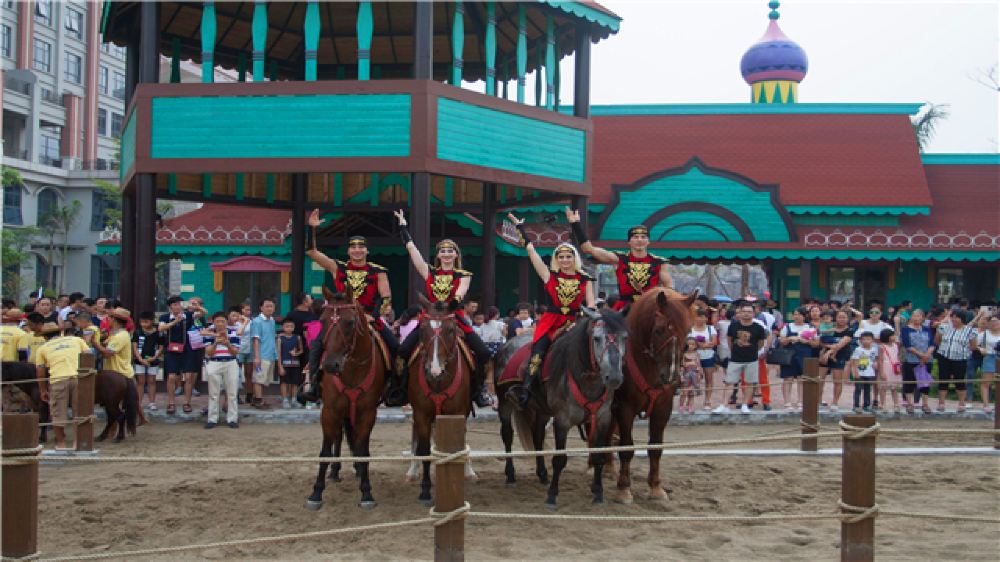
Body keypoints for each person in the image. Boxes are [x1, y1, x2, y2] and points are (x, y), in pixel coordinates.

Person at [385, 210, 493, 407]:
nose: (446, 254)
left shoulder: (463, 274)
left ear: (456, 254)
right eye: (442, 251)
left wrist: (452, 303)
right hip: (430, 317)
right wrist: (404, 229)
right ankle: (399, 389)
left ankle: (479, 390)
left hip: (453, 316)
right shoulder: (430, 272)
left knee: (483, 352)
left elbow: (461, 291)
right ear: (438, 255)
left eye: (450, 251)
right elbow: (413, 252)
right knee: (402, 351)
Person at [298, 209, 397, 404]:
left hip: (369, 317)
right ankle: (313, 384)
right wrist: (312, 229)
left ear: (367, 251)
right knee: (317, 344)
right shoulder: (338, 267)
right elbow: (311, 252)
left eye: (361, 247)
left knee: (395, 346)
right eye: (353, 247)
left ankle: (394, 386)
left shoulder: (378, 271)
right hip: (340, 317)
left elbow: (386, 297)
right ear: (348, 251)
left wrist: (373, 316)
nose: (357, 250)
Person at [503, 213, 595, 408]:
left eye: (568, 256)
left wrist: (584, 322)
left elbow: (591, 305)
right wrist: (520, 228)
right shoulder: (549, 275)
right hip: (551, 322)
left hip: (575, 322)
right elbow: (531, 252)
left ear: (575, 258)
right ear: (556, 259)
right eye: (561, 257)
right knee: (538, 352)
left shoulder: (585, 279)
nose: (565, 260)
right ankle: (526, 389)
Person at [566, 207, 673, 311]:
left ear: (648, 241)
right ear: (629, 242)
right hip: (623, 309)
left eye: (643, 237)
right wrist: (576, 224)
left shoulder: (660, 262)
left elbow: (669, 289)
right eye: (635, 237)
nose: (639, 240)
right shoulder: (618, 259)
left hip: (649, 308)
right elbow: (588, 249)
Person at [34, 322, 92, 449]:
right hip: (78, 378)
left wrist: (43, 390)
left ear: (44, 337)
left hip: (58, 380)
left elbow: (40, 370)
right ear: (60, 332)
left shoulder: (42, 349)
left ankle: (61, 443)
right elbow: (89, 355)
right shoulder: (76, 340)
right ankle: (77, 441)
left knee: (57, 413)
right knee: (80, 412)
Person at [714, 303, 768, 415]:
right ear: (740, 313)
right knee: (729, 382)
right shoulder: (733, 326)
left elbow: (761, 343)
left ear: (753, 313)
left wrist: (753, 351)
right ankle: (724, 404)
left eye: (749, 312)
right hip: (735, 358)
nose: (746, 314)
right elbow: (729, 340)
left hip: (752, 359)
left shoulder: (758, 327)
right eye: (744, 311)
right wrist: (734, 351)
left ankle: (745, 404)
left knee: (749, 383)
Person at [99, 307, 146, 425]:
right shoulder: (116, 334)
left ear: (114, 320)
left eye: (109, 318)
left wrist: (95, 343)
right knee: (131, 400)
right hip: (120, 371)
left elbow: (107, 353)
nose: (107, 320)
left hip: (120, 372)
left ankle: (115, 426)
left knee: (115, 403)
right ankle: (142, 418)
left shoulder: (120, 336)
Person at [158, 296, 202, 415]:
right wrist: (175, 321)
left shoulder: (188, 315)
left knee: (188, 377)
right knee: (171, 376)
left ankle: (187, 402)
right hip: (171, 349)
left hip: (187, 349)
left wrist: (196, 306)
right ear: (170, 307)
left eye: (180, 304)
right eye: (175, 304)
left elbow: (203, 313)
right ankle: (171, 403)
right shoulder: (165, 317)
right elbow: (161, 328)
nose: (178, 306)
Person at [934, 308, 977, 413]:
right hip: (944, 357)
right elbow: (937, 341)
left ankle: (961, 403)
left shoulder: (969, 331)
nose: (953, 319)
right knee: (943, 379)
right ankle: (941, 403)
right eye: (952, 317)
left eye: (956, 317)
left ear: (962, 319)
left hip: (960, 359)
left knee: (959, 380)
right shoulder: (944, 327)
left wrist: (963, 352)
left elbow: (973, 346)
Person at [203, 312, 241, 429]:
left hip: (230, 362)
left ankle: (232, 419)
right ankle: (212, 419)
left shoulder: (233, 333)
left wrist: (227, 344)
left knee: (232, 393)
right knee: (213, 393)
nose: (220, 324)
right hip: (214, 362)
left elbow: (235, 352)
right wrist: (216, 343)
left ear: (226, 322)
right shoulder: (209, 334)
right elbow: (209, 352)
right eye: (217, 321)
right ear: (213, 322)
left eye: (222, 321)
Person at [778, 307, 820, 410]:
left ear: (804, 316)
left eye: (799, 314)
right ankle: (787, 402)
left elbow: (816, 343)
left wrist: (806, 341)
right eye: (795, 314)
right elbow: (782, 341)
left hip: (804, 355)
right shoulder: (787, 326)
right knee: (788, 378)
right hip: (789, 355)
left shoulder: (810, 327)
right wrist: (789, 339)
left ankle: (800, 401)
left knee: (802, 378)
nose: (797, 317)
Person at [817, 310, 854, 412]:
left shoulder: (849, 330)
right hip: (823, 356)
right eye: (839, 317)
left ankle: (835, 402)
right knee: (820, 379)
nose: (842, 319)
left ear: (847, 319)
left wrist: (829, 352)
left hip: (839, 356)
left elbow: (841, 344)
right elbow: (820, 341)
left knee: (837, 380)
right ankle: (818, 401)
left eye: (844, 317)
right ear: (835, 318)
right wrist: (827, 348)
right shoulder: (828, 328)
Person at [900, 309, 935, 414]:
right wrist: (921, 355)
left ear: (923, 318)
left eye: (918, 316)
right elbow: (907, 345)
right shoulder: (905, 330)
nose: (916, 318)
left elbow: (932, 344)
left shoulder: (927, 329)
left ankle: (925, 404)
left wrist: (927, 355)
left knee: (924, 383)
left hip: (926, 360)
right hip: (911, 360)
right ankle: (909, 404)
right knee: (909, 382)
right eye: (914, 316)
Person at [250, 298, 278, 409]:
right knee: (259, 379)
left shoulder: (272, 320)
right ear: (261, 308)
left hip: (270, 354)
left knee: (265, 379)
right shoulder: (257, 321)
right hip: (261, 355)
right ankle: (258, 401)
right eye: (267, 306)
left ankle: (258, 398)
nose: (269, 308)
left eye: (271, 306)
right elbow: (255, 339)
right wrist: (257, 357)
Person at [688, 309, 719, 411]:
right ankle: (690, 401)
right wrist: (704, 345)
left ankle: (707, 400)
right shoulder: (690, 329)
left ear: (706, 318)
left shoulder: (711, 329)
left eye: (702, 317)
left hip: (708, 357)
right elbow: (688, 343)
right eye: (698, 316)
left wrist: (698, 345)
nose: (700, 319)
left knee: (709, 379)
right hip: (692, 358)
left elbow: (714, 342)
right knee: (691, 380)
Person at [132, 311, 162, 412]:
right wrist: (140, 359)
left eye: (146, 322)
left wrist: (154, 357)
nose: (143, 324)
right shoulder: (137, 332)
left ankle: (152, 403)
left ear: (152, 321)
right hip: (139, 360)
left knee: (151, 381)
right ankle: (138, 403)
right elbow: (134, 347)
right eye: (142, 322)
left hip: (153, 360)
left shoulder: (158, 333)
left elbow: (161, 347)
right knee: (140, 381)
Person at [276, 319, 304, 410]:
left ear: (294, 327)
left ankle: (294, 400)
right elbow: (278, 353)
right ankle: (285, 400)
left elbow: (301, 350)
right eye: (287, 326)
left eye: (291, 326)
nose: (289, 328)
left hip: (295, 364)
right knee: (284, 382)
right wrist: (280, 366)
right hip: (284, 364)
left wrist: (296, 353)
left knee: (294, 383)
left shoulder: (297, 337)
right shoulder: (280, 339)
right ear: (283, 327)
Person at [975, 314, 999, 413]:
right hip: (989, 357)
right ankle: (986, 405)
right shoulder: (984, 334)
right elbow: (973, 344)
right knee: (986, 382)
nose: (994, 323)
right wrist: (980, 349)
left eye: (996, 321)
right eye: (991, 321)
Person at [850, 332, 879, 412]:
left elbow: (875, 359)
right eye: (864, 339)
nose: (866, 341)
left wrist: (876, 363)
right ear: (861, 340)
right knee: (858, 389)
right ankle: (856, 405)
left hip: (870, 373)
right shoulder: (858, 349)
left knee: (868, 389)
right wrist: (855, 372)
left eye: (868, 339)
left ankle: (866, 405)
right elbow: (855, 361)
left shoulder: (874, 349)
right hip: (860, 372)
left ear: (872, 340)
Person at [878, 328, 902, 413]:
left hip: (894, 367)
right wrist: (881, 372)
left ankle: (896, 404)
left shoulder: (895, 345)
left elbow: (897, 356)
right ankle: (882, 404)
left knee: (894, 387)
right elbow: (880, 360)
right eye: (892, 335)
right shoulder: (882, 347)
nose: (894, 337)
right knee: (883, 387)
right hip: (886, 367)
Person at [679, 337, 704, 415]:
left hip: (694, 375)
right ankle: (681, 406)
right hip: (686, 375)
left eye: (693, 344)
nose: (691, 346)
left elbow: (699, 365)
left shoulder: (697, 354)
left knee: (691, 393)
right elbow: (682, 366)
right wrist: (681, 376)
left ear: (696, 346)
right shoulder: (684, 355)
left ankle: (690, 406)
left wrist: (699, 374)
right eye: (689, 344)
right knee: (684, 392)